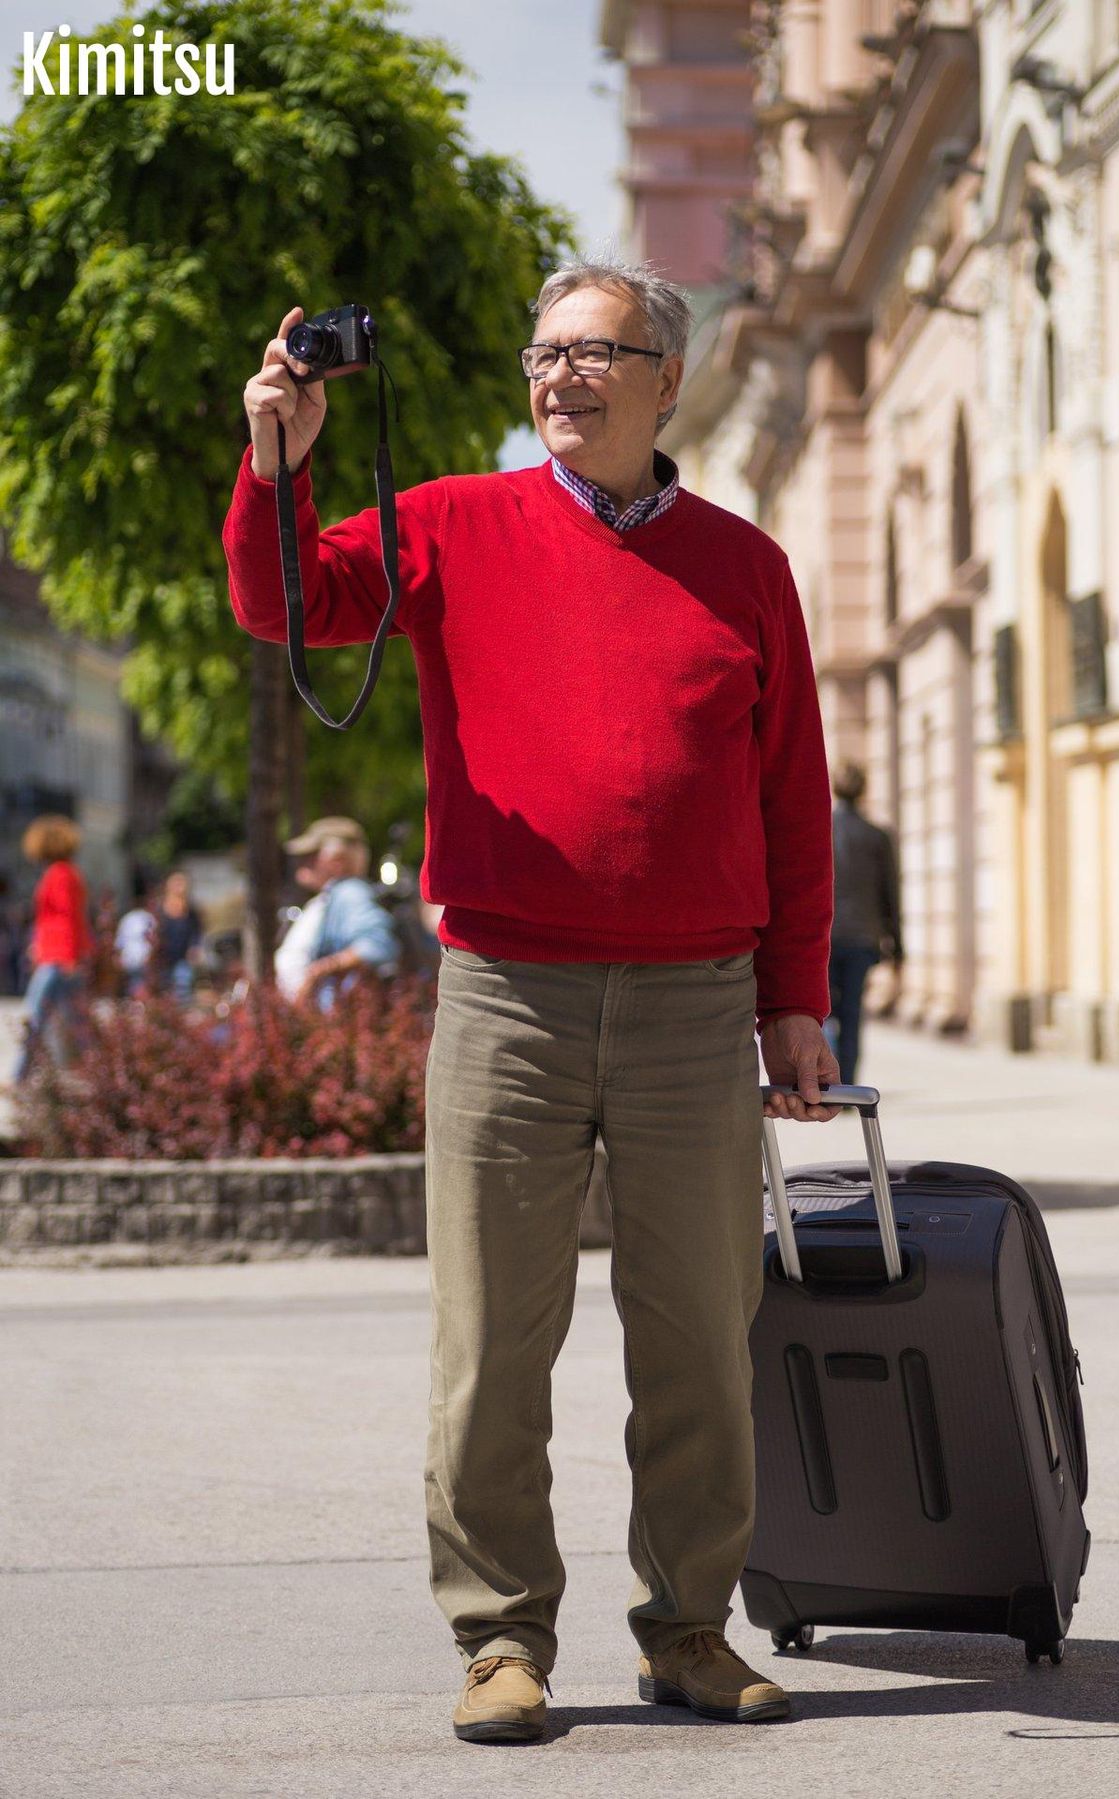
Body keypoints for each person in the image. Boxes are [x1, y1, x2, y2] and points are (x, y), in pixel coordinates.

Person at [223, 259, 839, 1742]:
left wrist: (794, 1002)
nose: (560, 376)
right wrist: (275, 464)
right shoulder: (450, 522)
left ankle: (691, 1623)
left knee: (699, 1330)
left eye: (596, 353)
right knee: (493, 1336)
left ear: (666, 381)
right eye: (544, 354)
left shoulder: (745, 563)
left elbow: (789, 798)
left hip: (698, 998)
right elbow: (278, 602)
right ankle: (501, 1636)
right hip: (509, 988)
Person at [826, 761, 903, 1085]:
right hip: (863, 938)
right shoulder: (877, 835)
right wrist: (898, 947)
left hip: (823, 936)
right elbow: (890, 894)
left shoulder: (819, 828)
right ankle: (848, 1081)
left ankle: (826, 1078)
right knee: (854, 1013)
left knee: (823, 1009)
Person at [274, 817, 397, 1007]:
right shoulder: (332, 895)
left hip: (334, 1023)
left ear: (337, 859)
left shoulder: (349, 892)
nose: (302, 862)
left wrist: (315, 973)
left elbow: (376, 945)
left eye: (311, 854)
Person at [13, 815, 93, 1082]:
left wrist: (68, 956)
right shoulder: (67, 872)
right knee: (76, 1022)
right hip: (58, 954)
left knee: (36, 1017)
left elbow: (68, 917)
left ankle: (18, 1076)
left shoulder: (59, 874)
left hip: (59, 957)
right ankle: (95, 1071)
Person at [156, 870, 205, 1002]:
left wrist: (195, 947)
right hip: (163, 957)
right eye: (176, 883)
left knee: (183, 987)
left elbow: (197, 932)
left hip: (184, 957)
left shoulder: (190, 910)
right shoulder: (160, 908)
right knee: (164, 988)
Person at [114, 884, 157, 999]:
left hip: (144, 961)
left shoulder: (148, 918)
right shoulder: (128, 919)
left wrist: (150, 958)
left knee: (141, 989)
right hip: (129, 961)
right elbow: (120, 942)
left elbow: (153, 940)